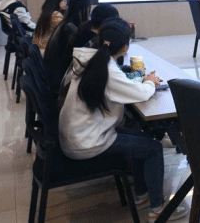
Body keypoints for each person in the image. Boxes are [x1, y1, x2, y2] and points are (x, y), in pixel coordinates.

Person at [58, 18, 189, 221]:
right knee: (153, 148)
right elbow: (140, 94)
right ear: (125, 47)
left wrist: (140, 80)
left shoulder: (93, 60)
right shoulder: (107, 70)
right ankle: (158, 210)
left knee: (141, 137)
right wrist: (150, 82)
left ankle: (142, 195)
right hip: (86, 141)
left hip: (79, 133)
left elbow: (120, 86)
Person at [43, 0, 92, 92]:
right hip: (59, 79)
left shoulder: (66, 23)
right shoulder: (70, 27)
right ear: (83, 10)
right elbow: (80, 54)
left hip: (53, 73)